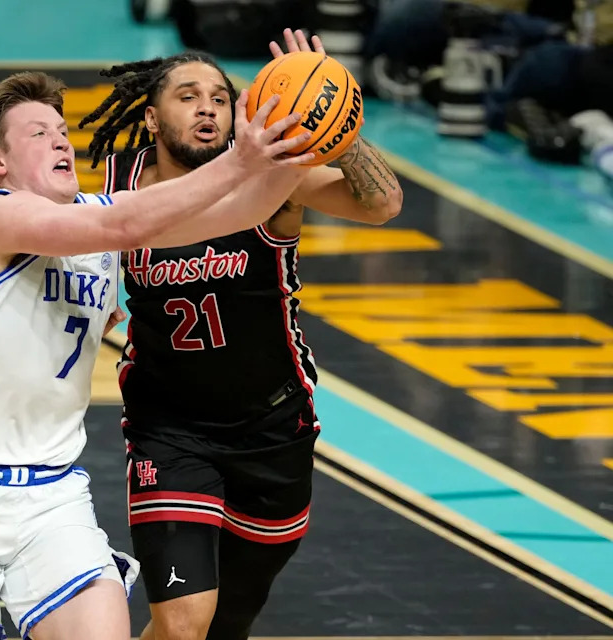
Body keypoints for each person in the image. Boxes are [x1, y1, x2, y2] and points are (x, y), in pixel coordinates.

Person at [0, 70, 318, 640]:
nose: (61, 142)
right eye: (39, 134)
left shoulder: (96, 221)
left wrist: (293, 143)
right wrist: (240, 159)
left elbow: (238, 214)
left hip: (54, 497)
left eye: (63, 131)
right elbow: (124, 223)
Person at [79, 30, 403, 640]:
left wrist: (341, 128)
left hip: (271, 426)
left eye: (220, 98)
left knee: (228, 622)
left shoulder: (275, 179)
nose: (207, 108)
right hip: (167, 428)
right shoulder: (117, 190)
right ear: (151, 118)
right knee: (182, 625)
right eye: (188, 96)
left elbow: (382, 204)